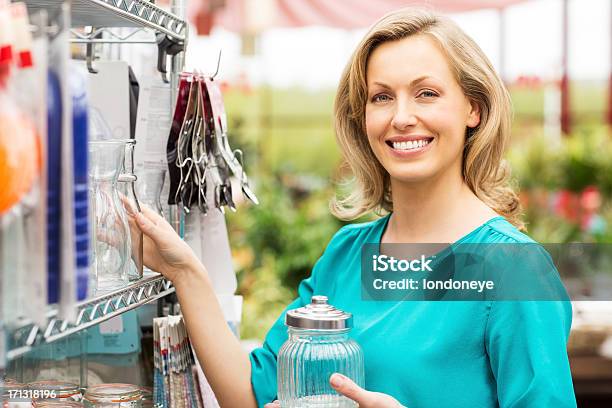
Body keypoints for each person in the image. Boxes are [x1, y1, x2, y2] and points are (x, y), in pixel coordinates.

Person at [134, 7, 577, 408]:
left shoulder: (514, 270)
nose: (401, 117)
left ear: (473, 110)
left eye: (426, 93)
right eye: (381, 97)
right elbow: (252, 394)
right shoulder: (347, 255)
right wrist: (187, 275)